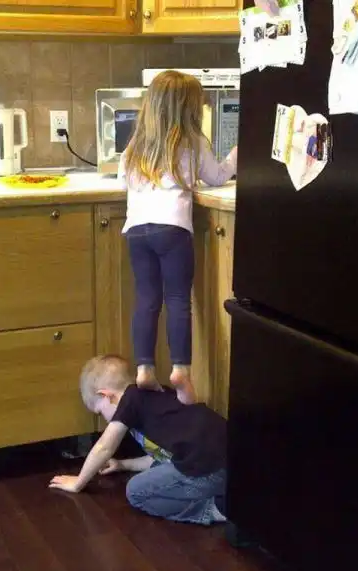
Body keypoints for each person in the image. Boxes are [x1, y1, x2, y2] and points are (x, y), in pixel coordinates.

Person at [118, 70, 238, 405]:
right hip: (172, 228)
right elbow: (216, 177)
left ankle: (144, 368)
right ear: (190, 109)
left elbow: (122, 181)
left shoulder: (134, 146)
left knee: (146, 298)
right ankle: (181, 369)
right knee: (177, 300)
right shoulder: (193, 142)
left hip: (137, 230)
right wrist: (236, 156)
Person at [49, 355, 227, 526]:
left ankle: (216, 510)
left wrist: (78, 482)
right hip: (227, 459)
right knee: (162, 470)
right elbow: (163, 457)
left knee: (136, 491)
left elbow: (104, 447)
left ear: (107, 396)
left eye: (100, 412)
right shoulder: (155, 400)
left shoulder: (130, 399)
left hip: (207, 469)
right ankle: (228, 495)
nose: (106, 421)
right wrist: (122, 465)